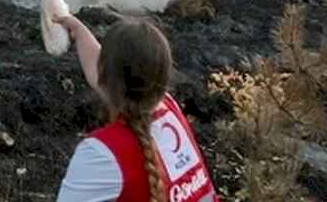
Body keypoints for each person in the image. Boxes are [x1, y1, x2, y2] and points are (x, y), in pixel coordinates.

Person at [54, 15, 219, 202]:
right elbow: (114, 76)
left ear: (105, 74)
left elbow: (110, 76)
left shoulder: (102, 153)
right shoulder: (168, 108)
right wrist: (78, 30)